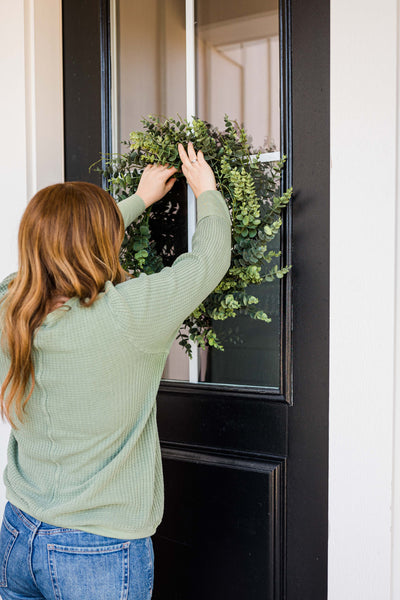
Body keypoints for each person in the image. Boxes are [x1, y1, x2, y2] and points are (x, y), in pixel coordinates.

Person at [0, 142, 231, 599]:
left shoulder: (11, 305)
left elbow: (57, 253)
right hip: (96, 550)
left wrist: (139, 200)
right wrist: (207, 192)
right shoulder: (129, 313)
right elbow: (209, 261)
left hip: (19, 532)